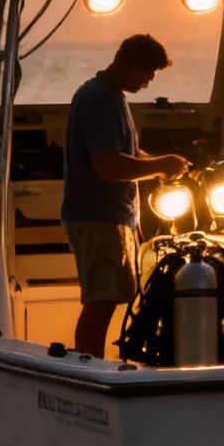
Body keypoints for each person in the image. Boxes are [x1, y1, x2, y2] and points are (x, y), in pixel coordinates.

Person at [62, 34, 191, 357]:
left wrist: (163, 164)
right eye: (148, 74)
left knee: (108, 299)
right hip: (95, 218)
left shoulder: (112, 97)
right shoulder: (99, 99)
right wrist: (161, 165)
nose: (149, 82)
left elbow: (127, 153)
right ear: (132, 65)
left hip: (113, 217)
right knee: (100, 301)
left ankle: (94, 363)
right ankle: (89, 367)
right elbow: (107, 165)